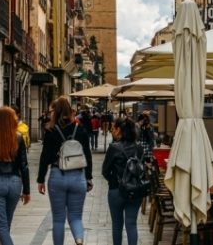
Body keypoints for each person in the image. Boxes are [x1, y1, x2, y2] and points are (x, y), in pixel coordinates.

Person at [37, 96, 93, 245]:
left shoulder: (50, 130)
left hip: (57, 176)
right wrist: (88, 177)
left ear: (55, 111)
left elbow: (44, 157)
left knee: (58, 219)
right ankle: (79, 240)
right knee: (76, 217)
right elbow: (87, 155)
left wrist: (40, 179)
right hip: (78, 177)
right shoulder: (80, 129)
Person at [0, 107, 31, 245]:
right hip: (15, 183)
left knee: (0, 226)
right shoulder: (18, 138)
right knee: (5, 224)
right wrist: (26, 190)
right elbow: (24, 166)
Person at [102, 117, 143, 245]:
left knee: (117, 225)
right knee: (131, 224)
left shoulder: (114, 148)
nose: (113, 130)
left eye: (114, 128)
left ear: (120, 130)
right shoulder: (139, 148)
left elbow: (105, 171)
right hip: (135, 190)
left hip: (116, 190)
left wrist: (115, 181)